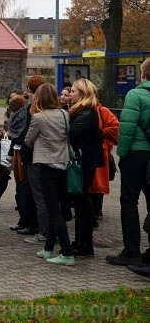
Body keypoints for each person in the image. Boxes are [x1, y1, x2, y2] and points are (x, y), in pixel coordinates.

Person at [24, 84, 74, 265]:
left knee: (53, 209)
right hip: (63, 164)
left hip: (46, 165)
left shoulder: (38, 117)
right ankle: (48, 248)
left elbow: (28, 141)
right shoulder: (64, 114)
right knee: (58, 206)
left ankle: (67, 252)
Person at [107, 58, 150, 267]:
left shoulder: (136, 94)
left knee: (129, 201)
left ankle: (132, 250)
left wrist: (122, 154)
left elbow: (128, 129)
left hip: (136, 154)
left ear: (143, 75)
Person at [11, 76, 50, 245]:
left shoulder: (35, 111)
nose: (26, 91)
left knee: (36, 194)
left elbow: (28, 136)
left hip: (34, 156)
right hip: (42, 157)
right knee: (35, 194)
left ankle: (39, 229)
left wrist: (25, 151)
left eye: (28, 88)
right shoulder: (58, 113)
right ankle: (31, 223)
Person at [67, 78, 100, 256]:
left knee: (82, 204)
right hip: (83, 163)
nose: (70, 94)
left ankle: (84, 244)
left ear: (82, 93)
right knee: (81, 204)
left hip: (82, 165)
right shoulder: (82, 112)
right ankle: (82, 242)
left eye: (73, 91)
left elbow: (69, 135)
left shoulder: (85, 114)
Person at [87, 80, 119, 223]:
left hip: (100, 152)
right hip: (87, 152)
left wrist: (100, 132)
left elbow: (115, 128)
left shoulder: (103, 111)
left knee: (98, 182)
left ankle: (97, 210)